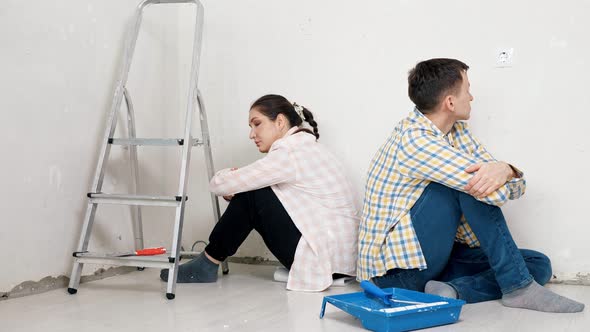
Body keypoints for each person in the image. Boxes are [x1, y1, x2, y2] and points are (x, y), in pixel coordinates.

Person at [357, 58, 584, 313]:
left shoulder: (459, 133)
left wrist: (505, 169)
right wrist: (497, 173)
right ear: (450, 102)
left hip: (439, 260)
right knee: (468, 185)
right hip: (398, 273)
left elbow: (516, 187)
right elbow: (491, 191)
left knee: (537, 263)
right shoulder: (414, 140)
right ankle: (518, 287)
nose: (472, 97)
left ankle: (453, 290)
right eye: (468, 90)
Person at [161, 94, 359, 291]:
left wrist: (235, 182)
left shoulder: (289, 153)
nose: (252, 134)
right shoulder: (308, 148)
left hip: (321, 262)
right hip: (340, 262)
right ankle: (208, 262)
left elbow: (218, 185)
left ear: (280, 121)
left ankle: (207, 263)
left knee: (252, 194)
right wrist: (240, 185)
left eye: (257, 124)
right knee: (253, 189)